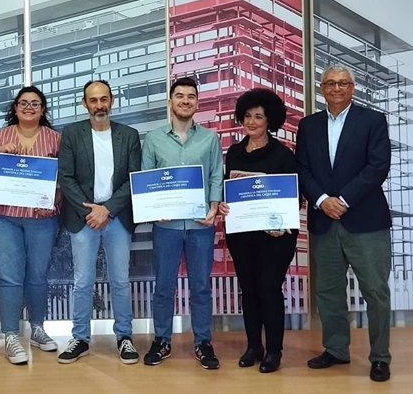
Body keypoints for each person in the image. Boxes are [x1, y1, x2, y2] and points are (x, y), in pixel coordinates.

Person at [296, 65, 392, 382]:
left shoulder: (373, 121)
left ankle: (380, 357)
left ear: (353, 87)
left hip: (366, 220)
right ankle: (336, 349)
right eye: (331, 83)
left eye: (344, 83)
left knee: (376, 291)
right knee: (327, 291)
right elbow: (303, 169)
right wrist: (323, 200)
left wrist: (344, 200)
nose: (337, 88)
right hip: (324, 220)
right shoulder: (308, 126)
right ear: (322, 88)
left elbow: (377, 167)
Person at [140, 77, 223, 369]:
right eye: (180, 96)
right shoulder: (153, 138)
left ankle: (203, 341)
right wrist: (153, 209)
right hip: (166, 226)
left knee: (200, 286)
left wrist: (214, 206)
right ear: (170, 102)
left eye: (191, 96)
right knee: (164, 285)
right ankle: (161, 340)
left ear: (197, 103)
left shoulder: (210, 138)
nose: (185, 101)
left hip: (201, 224)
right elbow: (146, 177)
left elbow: (215, 174)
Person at [57, 79, 141, 365]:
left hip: (116, 216)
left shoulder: (129, 135)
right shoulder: (71, 134)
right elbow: (65, 177)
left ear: (112, 100)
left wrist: (108, 210)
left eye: (104, 99)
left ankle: (125, 337)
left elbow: (133, 178)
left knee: (120, 280)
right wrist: (90, 211)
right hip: (84, 218)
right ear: (85, 104)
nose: (99, 105)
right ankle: (80, 337)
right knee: (82, 281)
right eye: (93, 100)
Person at [0, 86, 60, 365]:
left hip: (42, 218)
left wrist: (54, 201)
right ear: (14, 108)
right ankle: (11, 335)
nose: (29, 107)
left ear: (43, 109)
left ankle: (37, 328)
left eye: (35, 103)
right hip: (3, 216)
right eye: (23, 103)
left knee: (37, 275)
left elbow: (65, 179)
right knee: (9, 277)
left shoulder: (55, 139)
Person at [217, 88, 298, 373]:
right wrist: (225, 206)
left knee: (268, 288)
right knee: (248, 290)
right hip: (242, 234)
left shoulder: (283, 155)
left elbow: (294, 197)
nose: (252, 122)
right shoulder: (235, 153)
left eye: (259, 117)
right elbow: (229, 190)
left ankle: (274, 350)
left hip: (275, 238)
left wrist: (282, 224)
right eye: (248, 116)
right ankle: (254, 346)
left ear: (270, 120)